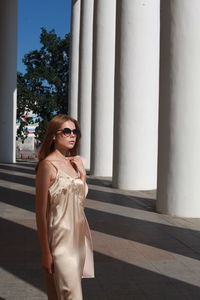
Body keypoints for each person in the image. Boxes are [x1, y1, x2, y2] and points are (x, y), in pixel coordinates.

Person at [35, 114, 95, 300]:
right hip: (60, 241)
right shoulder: (47, 166)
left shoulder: (74, 164)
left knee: (58, 294)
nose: (72, 135)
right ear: (53, 135)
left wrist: (82, 175)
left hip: (78, 240)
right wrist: (46, 252)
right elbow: (40, 213)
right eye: (66, 131)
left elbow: (79, 197)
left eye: (75, 131)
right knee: (71, 294)